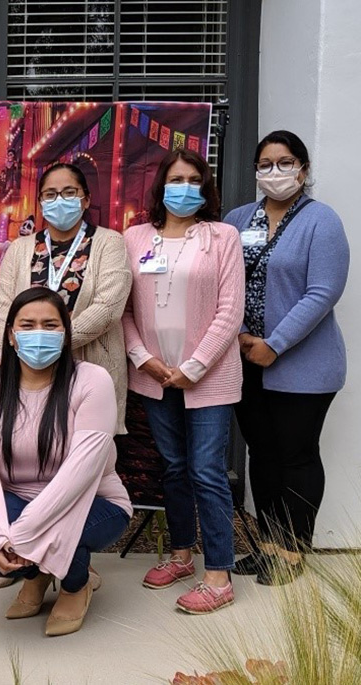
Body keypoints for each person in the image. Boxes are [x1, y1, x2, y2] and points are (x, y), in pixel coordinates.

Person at [0, 287, 132, 637]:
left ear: (66, 334)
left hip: (95, 501)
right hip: (19, 497)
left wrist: (22, 534)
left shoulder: (92, 381)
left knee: (47, 532)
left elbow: (81, 471)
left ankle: (75, 584)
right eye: (28, 324)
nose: (39, 333)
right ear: (10, 335)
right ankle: (38, 575)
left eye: (50, 325)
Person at [122, 149, 243, 614]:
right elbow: (125, 310)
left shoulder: (222, 236)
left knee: (207, 470)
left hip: (207, 378)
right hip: (154, 377)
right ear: (161, 186)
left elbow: (230, 311)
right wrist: (143, 359)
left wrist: (191, 367)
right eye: (177, 179)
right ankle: (180, 555)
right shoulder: (135, 238)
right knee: (172, 467)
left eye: (195, 180)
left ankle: (218, 575)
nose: (185, 188)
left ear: (206, 188)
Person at [225, 131, 349, 585]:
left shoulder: (322, 221)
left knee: (296, 455)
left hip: (303, 365)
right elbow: (223, 284)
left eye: (285, 162)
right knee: (262, 453)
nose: (274, 172)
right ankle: (269, 545)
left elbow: (323, 291)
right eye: (265, 164)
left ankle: (294, 550)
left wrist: (273, 343)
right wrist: (238, 335)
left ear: (303, 168)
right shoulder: (239, 219)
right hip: (244, 359)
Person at [0, 163, 131, 435]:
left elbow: (108, 308)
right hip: (28, 370)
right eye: (50, 194)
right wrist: (14, 352)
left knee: (89, 453)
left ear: (86, 199)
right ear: (41, 202)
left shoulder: (110, 243)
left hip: (92, 367)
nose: (59, 200)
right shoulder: (19, 249)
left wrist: (56, 339)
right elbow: (3, 309)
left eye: (69, 193)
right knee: (31, 448)